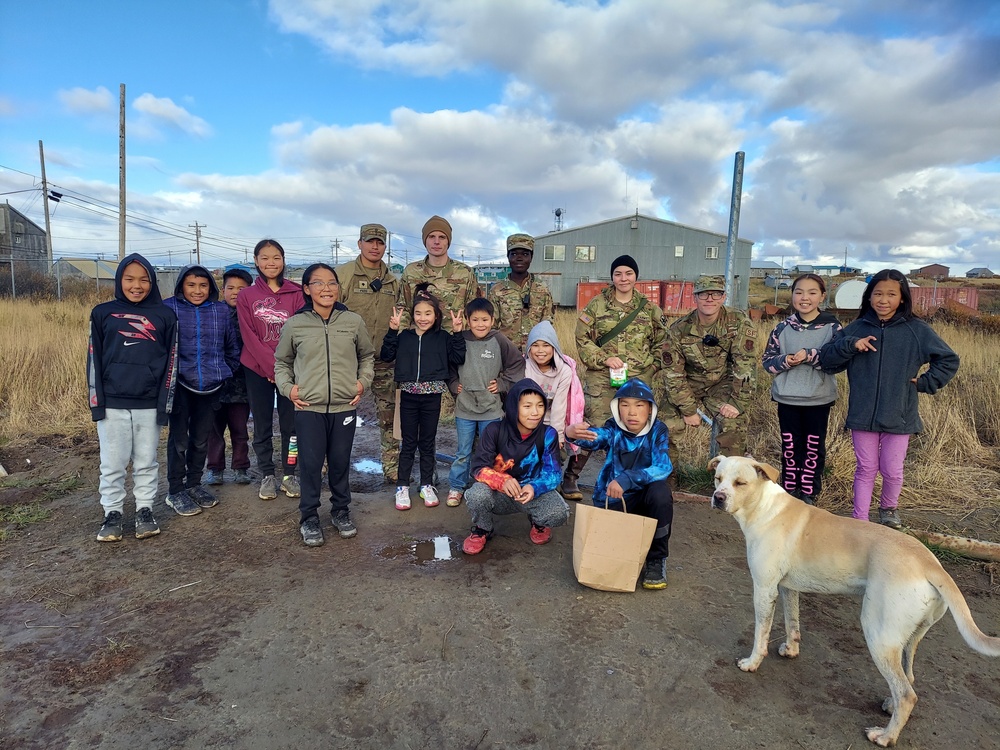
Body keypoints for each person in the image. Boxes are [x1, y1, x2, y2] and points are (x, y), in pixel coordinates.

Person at [819, 269, 959, 528]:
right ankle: (859, 519)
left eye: (891, 294)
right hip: (862, 415)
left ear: (902, 298)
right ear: (869, 297)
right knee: (865, 468)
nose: (883, 300)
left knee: (892, 470)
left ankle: (888, 510)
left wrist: (927, 382)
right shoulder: (857, 328)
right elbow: (827, 360)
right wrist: (851, 345)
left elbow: (948, 359)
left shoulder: (917, 330)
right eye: (878, 294)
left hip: (900, 414)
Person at [275, 264, 375, 547]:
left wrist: (361, 383)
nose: (326, 288)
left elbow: (367, 356)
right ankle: (309, 517)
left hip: (344, 407)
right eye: (318, 283)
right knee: (310, 464)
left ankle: (341, 511)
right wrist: (289, 389)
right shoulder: (295, 324)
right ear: (306, 289)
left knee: (340, 462)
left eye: (331, 283)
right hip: (309, 408)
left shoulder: (352, 321)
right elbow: (282, 362)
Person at [88, 253, 177, 542]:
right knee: (112, 463)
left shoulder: (165, 315)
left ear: (152, 282)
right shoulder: (102, 313)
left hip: (149, 403)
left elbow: (171, 361)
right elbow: (94, 360)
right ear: (119, 281)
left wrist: (165, 403)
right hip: (112, 402)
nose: (136, 285)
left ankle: (144, 511)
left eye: (143, 279)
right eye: (129, 279)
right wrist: (96, 402)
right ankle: (112, 514)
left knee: (146, 460)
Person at [570, 254, 666, 499]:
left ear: (636, 276)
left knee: (635, 428)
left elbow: (662, 343)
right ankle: (571, 476)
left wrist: (651, 368)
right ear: (612, 277)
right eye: (618, 274)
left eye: (628, 273)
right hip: (603, 379)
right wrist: (603, 358)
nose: (623, 278)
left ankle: (631, 482)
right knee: (596, 427)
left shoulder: (649, 308)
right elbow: (582, 340)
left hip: (637, 381)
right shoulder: (597, 305)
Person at [565, 377, 674, 590]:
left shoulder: (658, 431)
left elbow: (663, 466)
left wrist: (626, 479)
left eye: (639, 405)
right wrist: (572, 434)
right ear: (617, 408)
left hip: (644, 501)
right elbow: (596, 437)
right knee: (608, 559)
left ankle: (656, 559)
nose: (631, 412)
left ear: (650, 409)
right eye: (624, 405)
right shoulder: (613, 428)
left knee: (661, 492)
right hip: (614, 501)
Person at [163, 265, 241, 516]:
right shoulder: (168, 308)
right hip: (180, 384)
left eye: (203, 285)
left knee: (201, 438)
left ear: (211, 287)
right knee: (179, 439)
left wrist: (224, 371)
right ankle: (176, 490)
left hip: (211, 384)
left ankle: (194, 484)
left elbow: (231, 348)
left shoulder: (219, 311)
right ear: (181, 287)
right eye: (191, 285)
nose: (197, 291)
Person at [380, 285, 466, 510]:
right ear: (412, 314)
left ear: (436, 315)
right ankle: (402, 487)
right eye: (418, 313)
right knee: (408, 443)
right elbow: (386, 355)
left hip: (432, 397)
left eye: (428, 313)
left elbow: (458, 357)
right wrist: (392, 331)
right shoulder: (405, 337)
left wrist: (457, 333)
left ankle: (426, 485)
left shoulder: (442, 338)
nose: (422, 318)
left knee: (427, 443)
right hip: (408, 396)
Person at [461, 378, 570, 555]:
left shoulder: (548, 434)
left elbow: (554, 474)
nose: (535, 412)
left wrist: (534, 487)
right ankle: (483, 528)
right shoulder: (494, 430)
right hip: (499, 493)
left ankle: (538, 522)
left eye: (540, 406)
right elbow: (479, 467)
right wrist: (501, 480)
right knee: (477, 494)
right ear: (513, 407)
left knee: (560, 512)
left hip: (530, 494)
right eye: (527, 406)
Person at [761, 274, 842, 505]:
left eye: (812, 292)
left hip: (818, 399)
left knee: (813, 447)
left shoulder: (833, 327)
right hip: (787, 398)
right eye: (799, 292)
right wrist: (786, 360)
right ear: (792, 295)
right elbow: (768, 362)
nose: (804, 297)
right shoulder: (782, 328)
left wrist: (810, 355)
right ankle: (789, 489)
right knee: (789, 446)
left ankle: (809, 493)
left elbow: (837, 362)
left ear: (822, 296)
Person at [660, 274, 756, 461]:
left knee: (733, 426)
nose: (710, 299)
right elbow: (672, 373)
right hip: (688, 384)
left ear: (723, 297)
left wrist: (737, 403)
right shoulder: (679, 329)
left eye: (715, 294)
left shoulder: (738, 322)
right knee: (666, 427)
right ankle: (664, 480)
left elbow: (746, 366)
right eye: (703, 294)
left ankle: (730, 481)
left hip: (722, 383)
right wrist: (688, 409)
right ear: (695, 297)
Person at [236, 239, 302, 501]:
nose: (271, 263)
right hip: (256, 368)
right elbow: (249, 335)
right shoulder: (247, 296)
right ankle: (266, 474)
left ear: (283, 260)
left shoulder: (296, 293)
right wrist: (270, 368)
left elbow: (299, 333)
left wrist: (283, 369)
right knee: (262, 423)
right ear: (256, 261)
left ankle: (289, 473)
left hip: (291, 369)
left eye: (276, 257)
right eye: (265, 258)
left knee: (292, 424)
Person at [336, 223, 401, 485]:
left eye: (380, 242)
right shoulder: (344, 275)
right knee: (339, 415)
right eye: (370, 241)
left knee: (390, 416)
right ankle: (330, 466)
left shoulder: (393, 281)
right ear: (360, 243)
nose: (375, 247)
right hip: (348, 360)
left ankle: (392, 467)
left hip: (385, 360)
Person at [447, 297, 524, 508]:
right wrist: (454, 385)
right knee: (463, 451)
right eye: (475, 320)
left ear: (492, 320)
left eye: (484, 320)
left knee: (490, 451)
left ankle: (488, 485)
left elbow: (517, 363)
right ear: (467, 321)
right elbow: (449, 366)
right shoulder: (460, 339)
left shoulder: (498, 340)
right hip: (465, 408)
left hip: (491, 409)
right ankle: (456, 486)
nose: (480, 324)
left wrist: (502, 383)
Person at [204, 268, 254, 486]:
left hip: (242, 385)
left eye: (241, 289)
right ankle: (215, 468)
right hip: (215, 385)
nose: (235, 293)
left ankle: (241, 467)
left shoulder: (251, 316)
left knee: (240, 430)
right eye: (230, 288)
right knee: (214, 430)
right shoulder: (212, 313)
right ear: (222, 290)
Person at [396, 215, 481, 332]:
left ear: (448, 241)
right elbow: (403, 309)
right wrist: (403, 339)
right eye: (431, 236)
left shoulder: (465, 272)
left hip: (455, 342)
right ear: (425, 240)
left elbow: (474, 310)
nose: (436, 242)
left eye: (442, 237)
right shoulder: (411, 271)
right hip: (420, 342)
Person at [523, 320, 584, 456]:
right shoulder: (524, 368)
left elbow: (559, 407)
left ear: (554, 347)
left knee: (554, 460)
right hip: (526, 424)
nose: (540, 351)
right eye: (535, 345)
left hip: (551, 423)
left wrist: (557, 436)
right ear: (528, 348)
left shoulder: (564, 371)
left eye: (546, 345)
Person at [487, 233, 555, 352]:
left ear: (531, 257)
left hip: (535, 355)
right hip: (506, 354)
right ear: (508, 257)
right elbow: (491, 326)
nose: (519, 258)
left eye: (525, 254)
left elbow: (547, 324)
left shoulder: (542, 289)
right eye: (514, 254)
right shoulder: (496, 291)